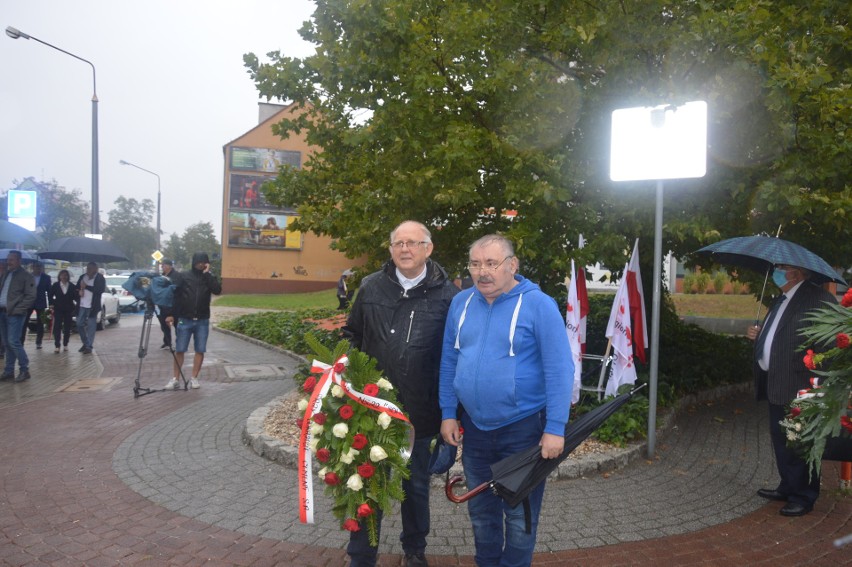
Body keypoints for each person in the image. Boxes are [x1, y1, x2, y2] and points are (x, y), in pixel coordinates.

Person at [440, 234, 573, 567]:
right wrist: (447, 413)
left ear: (512, 265)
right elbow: (448, 361)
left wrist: (555, 427)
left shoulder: (539, 305)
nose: (482, 272)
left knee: (519, 519)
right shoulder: (461, 303)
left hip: (524, 431)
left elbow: (560, 368)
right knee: (481, 515)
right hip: (475, 431)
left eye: (491, 263)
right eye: (475, 264)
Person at [343, 220, 459, 567]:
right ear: (390, 248)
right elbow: (352, 334)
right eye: (398, 243)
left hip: (420, 414)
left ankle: (414, 550)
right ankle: (361, 555)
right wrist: (347, 370)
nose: (405, 249)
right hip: (370, 409)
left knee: (416, 488)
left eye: (413, 243)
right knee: (367, 484)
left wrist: (449, 412)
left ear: (428, 248)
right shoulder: (370, 287)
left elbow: (453, 355)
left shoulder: (449, 296)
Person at [746, 264, 837, 517]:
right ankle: (788, 486)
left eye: (781, 268)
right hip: (776, 383)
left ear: (795, 273)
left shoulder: (818, 298)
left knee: (801, 443)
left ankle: (804, 496)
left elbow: (828, 347)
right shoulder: (781, 299)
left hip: (801, 386)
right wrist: (759, 335)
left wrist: (814, 384)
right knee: (782, 439)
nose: (775, 271)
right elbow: (778, 334)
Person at [164, 253, 222, 390]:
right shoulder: (184, 276)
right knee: (180, 349)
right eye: (199, 262)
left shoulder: (208, 277)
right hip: (185, 319)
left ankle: (194, 378)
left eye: (204, 262)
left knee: (200, 350)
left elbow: (217, 290)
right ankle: (175, 379)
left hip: (202, 320)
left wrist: (208, 274)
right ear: (194, 262)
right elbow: (175, 295)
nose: (201, 264)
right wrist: (171, 314)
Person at [0, 251, 36, 382]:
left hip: (15, 314)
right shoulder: (6, 274)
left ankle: (24, 369)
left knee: (14, 342)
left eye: (12, 260)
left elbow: (31, 295)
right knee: (6, 343)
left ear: (19, 261)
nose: (9, 262)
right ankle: (9, 370)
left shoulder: (26, 276)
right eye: (8, 259)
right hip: (2, 312)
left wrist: (18, 309)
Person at [76, 262, 106, 354]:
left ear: (95, 269)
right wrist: (79, 291)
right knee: (79, 324)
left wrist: (87, 287)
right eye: (87, 268)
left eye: (90, 268)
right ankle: (86, 342)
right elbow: (77, 287)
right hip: (82, 305)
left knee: (91, 326)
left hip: (92, 306)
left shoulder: (100, 278)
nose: (88, 270)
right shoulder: (83, 277)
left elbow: (99, 290)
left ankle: (89, 346)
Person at [22, 261, 52, 349]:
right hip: (29, 303)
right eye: (36, 267)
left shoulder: (46, 278)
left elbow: (49, 292)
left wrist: (51, 304)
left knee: (40, 322)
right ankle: (21, 341)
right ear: (33, 267)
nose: (38, 268)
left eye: (39, 267)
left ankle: (39, 342)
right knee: (24, 322)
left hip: (41, 302)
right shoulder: (28, 276)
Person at [49, 269, 78, 353]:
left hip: (68, 309)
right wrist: (52, 304)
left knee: (67, 327)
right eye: (62, 275)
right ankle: (57, 345)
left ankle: (65, 344)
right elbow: (50, 296)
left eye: (66, 275)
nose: (64, 277)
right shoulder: (55, 285)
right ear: (59, 276)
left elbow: (76, 297)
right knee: (57, 327)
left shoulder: (72, 286)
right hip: (58, 309)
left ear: (68, 276)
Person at [156, 259, 177, 349]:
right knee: (164, 325)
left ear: (169, 266)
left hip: (173, 305)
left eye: (163, 265)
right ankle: (167, 341)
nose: (162, 267)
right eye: (162, 265)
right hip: (164, 306)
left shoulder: (176, 276)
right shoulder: (163, 276)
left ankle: (179, 342)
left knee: (176, 324)